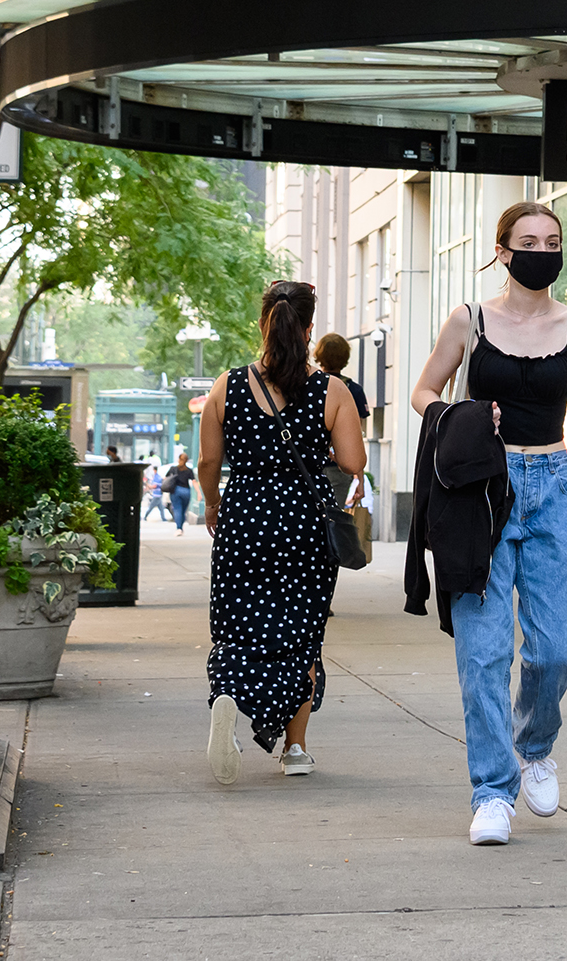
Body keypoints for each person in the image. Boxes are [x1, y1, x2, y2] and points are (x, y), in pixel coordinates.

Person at [408, 200, 567, 847]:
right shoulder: (470, 321)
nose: (541, 249)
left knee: (558, 646)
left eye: (553, 239)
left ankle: (535, 744)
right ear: (503, 251)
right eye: (528, 239)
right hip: (482, 489)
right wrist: (461, 418)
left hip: (554, 484)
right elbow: (424, 391)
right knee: (484, 651)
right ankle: (492, 790)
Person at [198, 280, 367, 784]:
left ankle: (229, 693)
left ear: (262, 324)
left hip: (244, 515)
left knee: (237, 625)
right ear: (309, 328)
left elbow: (209, 459)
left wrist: (212, 503)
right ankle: (294, 748)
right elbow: (353, 462)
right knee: (300, 634)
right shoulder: (330, 389)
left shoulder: (226, 385)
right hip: (303, 522)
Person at [314, 333, 369, 507]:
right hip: (339, 469)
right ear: (345, 358)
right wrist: (359, 478)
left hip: (309, 466)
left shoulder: (308, 388)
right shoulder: (354, 390)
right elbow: (356, 438)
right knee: (332, 519)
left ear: (319, 356)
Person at [163, 452, 198, 535]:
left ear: (179, 459)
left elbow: (165, 478)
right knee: (183, 511)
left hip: (176, 491)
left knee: (177, 509)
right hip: (186, 491)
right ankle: (181, 527)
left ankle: (179, 528)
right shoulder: (189, 470)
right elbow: (194, 481)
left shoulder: (173, 469)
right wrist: (198, 493)